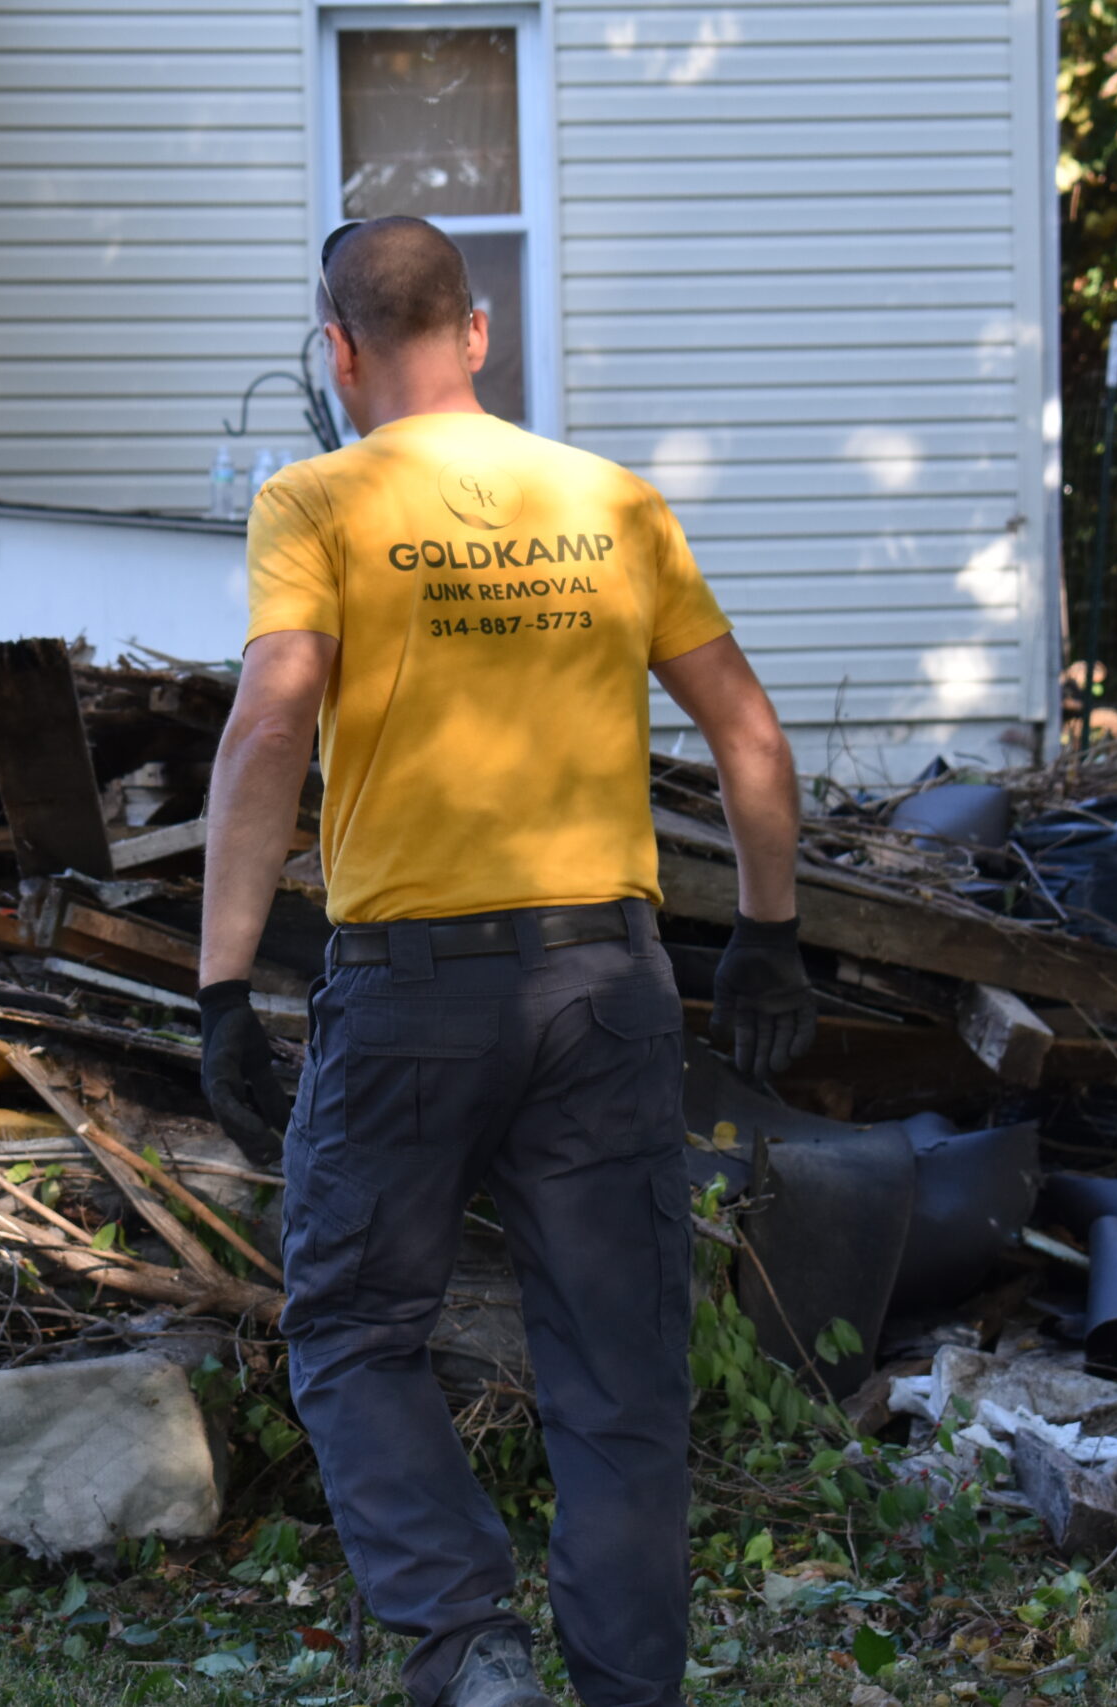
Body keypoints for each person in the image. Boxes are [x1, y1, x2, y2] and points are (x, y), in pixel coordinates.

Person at [195, 216, 819, 1707]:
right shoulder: (612, 504)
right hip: (605, 989)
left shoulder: (318, 501)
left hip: (410, 991)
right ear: (478, 335)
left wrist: (222, 987)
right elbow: (749, 733)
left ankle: (474, 1654)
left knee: (351, 1325)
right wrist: (772, 936)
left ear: (341, 355)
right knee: (620, 1385)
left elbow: (274, 726)